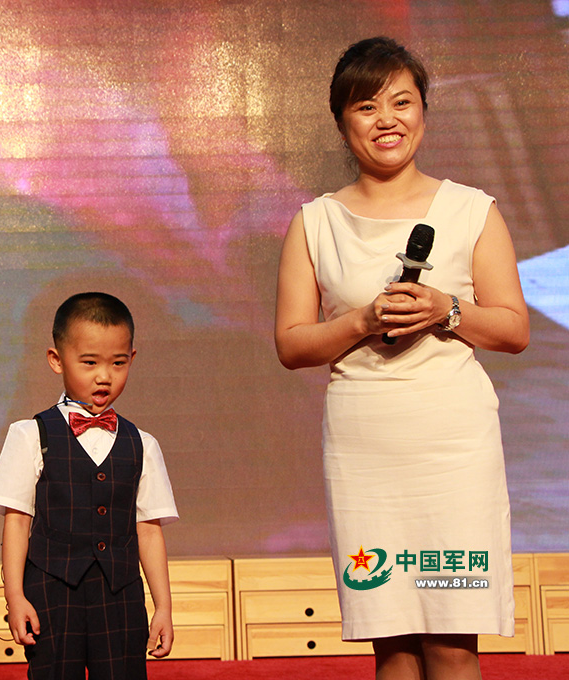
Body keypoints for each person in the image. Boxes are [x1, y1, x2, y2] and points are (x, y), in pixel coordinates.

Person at [274, 37, 529, 680]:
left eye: (401, 102)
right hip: (365, 448)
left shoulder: (471, 210)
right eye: (366, 106)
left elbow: (513, 329)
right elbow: (292, 344)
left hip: (453, 447)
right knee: (390, 642)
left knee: (452, 642)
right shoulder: (315, 222)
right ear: (342, 123)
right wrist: (361, 321)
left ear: (423, 111)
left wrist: (447, 309)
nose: (386, 120)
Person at [0, 292, 178, 679]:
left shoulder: (142, 443)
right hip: (52, 593)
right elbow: (17, 522)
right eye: (89, 363)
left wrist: (163, 607)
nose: (104, 376)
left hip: (120, 596)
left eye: (118, 363)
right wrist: (15, 596)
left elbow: (148, 530)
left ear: (132, 359)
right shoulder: (29, 434)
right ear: (56, 359)